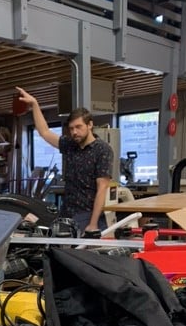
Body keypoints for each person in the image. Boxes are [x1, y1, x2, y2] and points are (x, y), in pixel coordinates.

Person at [16, 86, 113, 234]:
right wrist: (35, 104)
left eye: (78, 127)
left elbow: (102, 189)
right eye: (71, 128)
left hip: (88, 215)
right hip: (67, 213)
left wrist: (93, 224)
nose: (74, 132)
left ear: (90, 125)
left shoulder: (102, 150)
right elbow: (44, 132)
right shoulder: (70, 145)